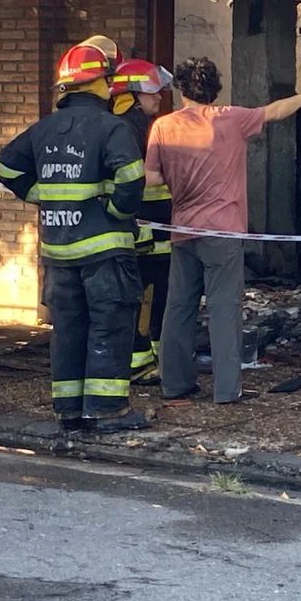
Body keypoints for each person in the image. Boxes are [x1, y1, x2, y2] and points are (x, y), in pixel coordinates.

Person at [143, 57, 301, 404]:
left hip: (182, 230)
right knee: (223, 308)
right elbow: (275, 111)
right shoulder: (231, 118)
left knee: (178, 307)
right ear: (215, 88)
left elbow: (153, 178)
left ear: (182, 88)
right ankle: (226, 389)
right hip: (224, 232)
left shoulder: (162, 127)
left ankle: (174, 384)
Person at [0, 40, 148, 433]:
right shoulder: (112, 127)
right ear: (102, 83)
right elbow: (131, 179)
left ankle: (69, 410)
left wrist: (41, 197)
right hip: (104, 252)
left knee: (68, 330)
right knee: (109, 326)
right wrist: (116, 211)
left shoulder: (44, 129)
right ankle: (106, 409)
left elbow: (6, 167)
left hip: (58, 253)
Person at [109, 58, 174, 382]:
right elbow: (131, 185)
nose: (159, 97)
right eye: (152, 92)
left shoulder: (133, 127)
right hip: (147, 236)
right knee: (149, 297)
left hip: (153, 231)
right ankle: (144, 362)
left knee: (153, 297)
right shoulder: (130, 131)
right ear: (133, 94)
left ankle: (154, 359)